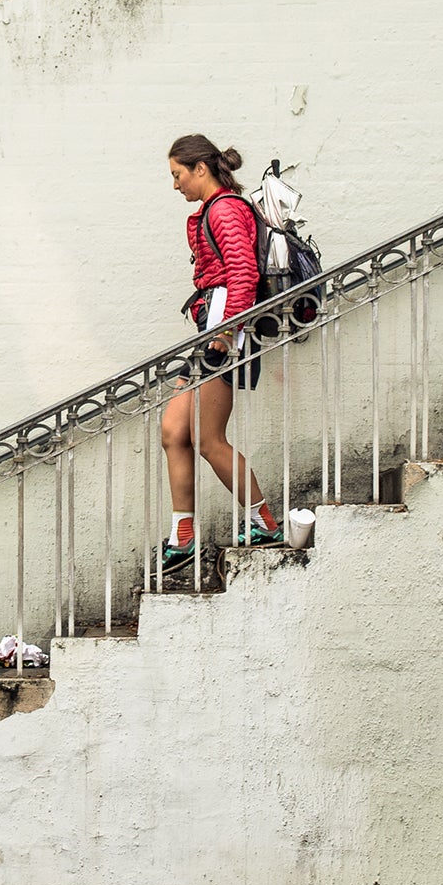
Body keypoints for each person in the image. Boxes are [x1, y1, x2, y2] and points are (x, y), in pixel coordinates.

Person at [161, 134, 285, 572]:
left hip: (224, 328)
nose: (175, 185)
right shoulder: (213, 211)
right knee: (174, 430)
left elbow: (243, 273)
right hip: (210, 327)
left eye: (178, 175)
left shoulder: (227, 208)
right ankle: (183, 535)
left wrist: (228, 331)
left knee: (209, 439)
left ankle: (264, 522)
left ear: (200, 168)